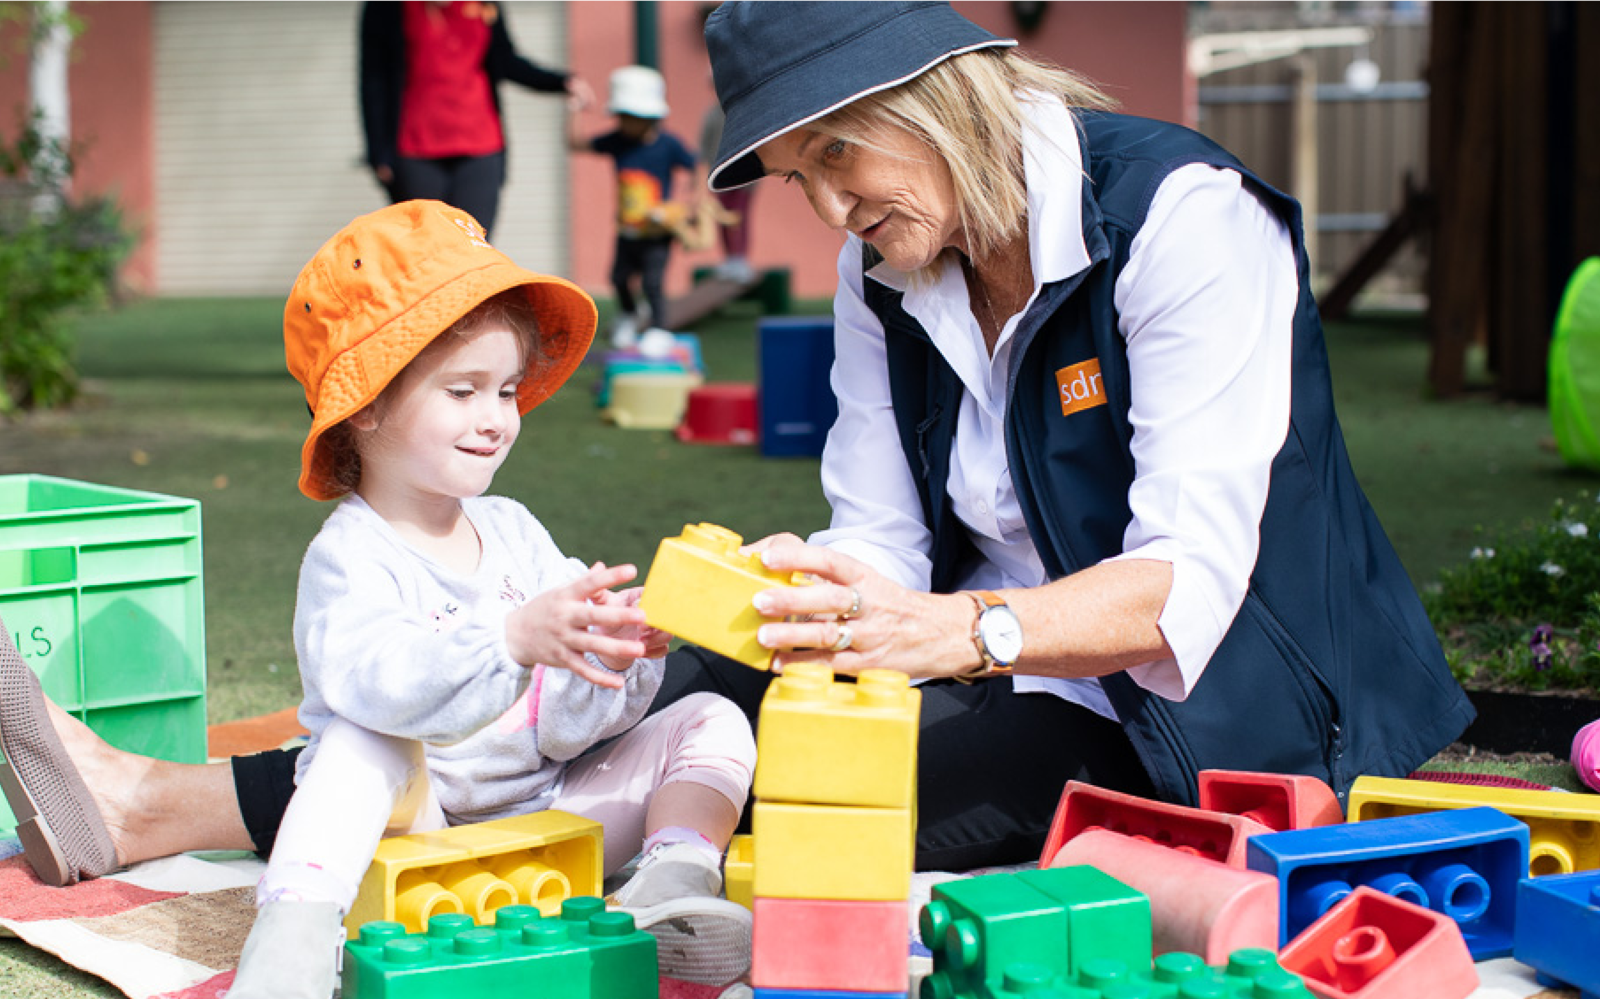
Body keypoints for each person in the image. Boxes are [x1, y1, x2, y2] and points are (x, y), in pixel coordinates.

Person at [0, 1, 1476, 900]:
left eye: (838, 156)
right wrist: (819, 586)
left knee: (785, 784)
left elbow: (1184, 583)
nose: (824, 211)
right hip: (977, 640)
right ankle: (152, 804)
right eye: (796, 174)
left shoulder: (1181, 219)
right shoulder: (885, 270)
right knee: (617, 681)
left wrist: (949, 629)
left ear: (934, 101)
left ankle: (163, 804)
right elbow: (884, 538)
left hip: (1202, 709)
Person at [223, 200, 747, 997]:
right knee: (356, 747)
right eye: (463, 391)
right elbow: (377, 688)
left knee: (712, 717)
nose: (497, 420)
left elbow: (567, 734)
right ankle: (293, 939)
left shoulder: (513, 530)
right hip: (420, 830)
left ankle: (670, 883)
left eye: (505, 391)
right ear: (365, 403)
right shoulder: (350, 555)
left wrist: (610, 659)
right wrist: (510, 640)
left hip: (553, 823)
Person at [359, 1, 594, 237]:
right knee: (426, 247)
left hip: (481, 144)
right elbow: (373, 81)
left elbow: (507, 61)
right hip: (415, 147)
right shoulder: (386, 6)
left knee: (473, 245)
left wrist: (563, 82)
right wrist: (378, 152)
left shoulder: (485, 4)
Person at [568, 65, 699, 348]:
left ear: (651, 117)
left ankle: (659, 331)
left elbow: (696, 164)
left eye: (632, 117)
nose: (624, 123)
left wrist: (695, 201)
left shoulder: (668, 145)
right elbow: (575, 144)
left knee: (653, 282)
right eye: (622, 116)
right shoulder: (618, 142)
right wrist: (574, 110)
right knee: (617, 278)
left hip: (657, 231)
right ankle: (629, 315)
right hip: (627, 230)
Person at [699, 100, 755, 284]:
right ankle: (730, 259)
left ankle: (740, 258)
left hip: (744, 176)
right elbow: (704, 147)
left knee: (738, 217)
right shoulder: (713, 115)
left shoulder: (741, 111)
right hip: (720, 176)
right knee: (722, 217)